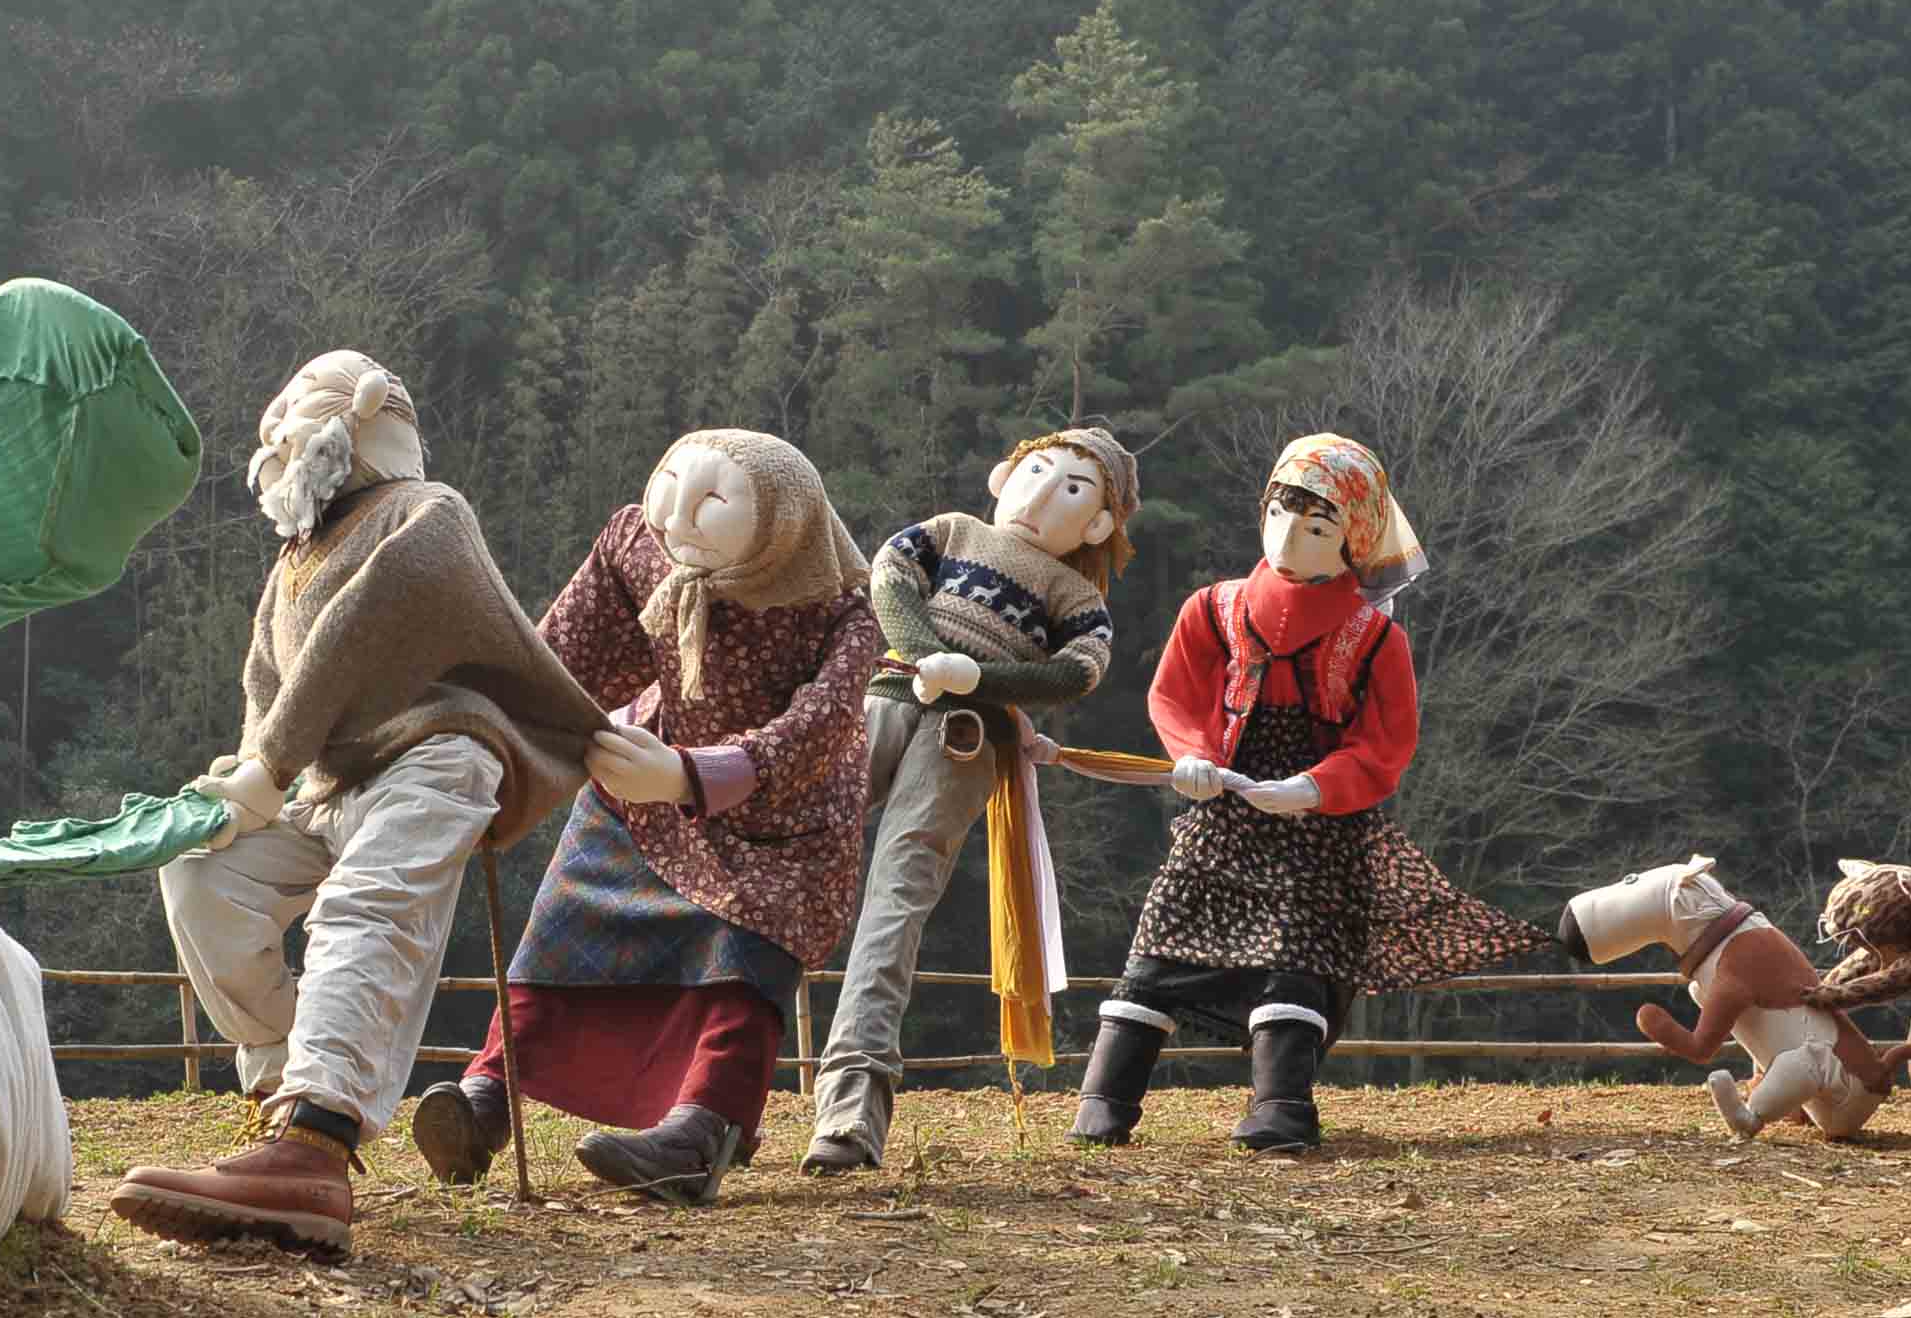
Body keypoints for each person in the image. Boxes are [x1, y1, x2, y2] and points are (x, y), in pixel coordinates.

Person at [108, 353, 610, 1260]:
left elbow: (351, 638)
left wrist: (268, 765)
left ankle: (316, 1141)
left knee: (364, 910)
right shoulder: (295, 560)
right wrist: (243, 780)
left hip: (436, 756)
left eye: (291, 418)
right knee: (201, 871)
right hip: (323, 781)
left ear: (363, 419)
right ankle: (291, 1088)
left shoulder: (428, 513)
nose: (273, 442)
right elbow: (270, 683)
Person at [410, 429, 880, 1206]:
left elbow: (819, 730)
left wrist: (694, 775)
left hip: (782, 828)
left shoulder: (841, 618)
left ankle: (701, 1131)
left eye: (712, 500)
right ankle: (485, 1100)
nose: (677, 516)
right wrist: (495, 720)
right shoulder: (638, 545)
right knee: (561, 932)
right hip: (642, 791)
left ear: (783, 524)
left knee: (742, 970)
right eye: (671, 486)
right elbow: (566, 653)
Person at [1070, 434, 1546, 1154]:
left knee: (1298, 949)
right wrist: (1194, 757)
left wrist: (1315, 788)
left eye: (1318, 527)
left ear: (1350, 543)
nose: (1291, 535)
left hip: (1321, 824)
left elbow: (1385, 746)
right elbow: (1175, 694)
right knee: (1164, 932)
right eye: (1279, 514)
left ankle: (1281, 1105)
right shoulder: (1214, 609)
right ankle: (1104, 1099)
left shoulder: (1375, 639)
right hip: (1226, 805)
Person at [799, 427, 1139, 1175]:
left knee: (896, 905)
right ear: (1003, 473)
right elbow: (887, 576)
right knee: (788, 852)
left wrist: (976, 679)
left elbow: (1078, 672)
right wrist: (927, 655)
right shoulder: (950, 530)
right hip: (883, 700)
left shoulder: (1076, 596)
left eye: (1074, 489)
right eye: (1038, 470)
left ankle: (853, 1105)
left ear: (1099, 525)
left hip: (963, 741)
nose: (1045, 492)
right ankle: (712, 1072)